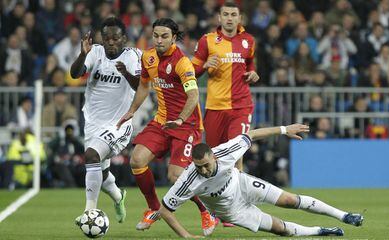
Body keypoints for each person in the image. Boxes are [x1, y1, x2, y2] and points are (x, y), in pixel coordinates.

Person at [159, 124, 364, 238]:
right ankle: (320, 231)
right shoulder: (188, 179)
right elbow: (165, 209)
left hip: (242, 185)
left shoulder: (226, 152)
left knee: (290, 200)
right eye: (198, 166)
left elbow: (252, 134)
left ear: (213, 156)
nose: (203, 170)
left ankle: (344, 216)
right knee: (280, 230)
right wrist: (186, 236)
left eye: (206, 164)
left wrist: (284, 130)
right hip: (231, 211)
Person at [116, 18, 216, 235]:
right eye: (156, 35)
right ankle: (154, 209)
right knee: (137, 159)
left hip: (186, 124)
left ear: (173, 38)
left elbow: (193, 95)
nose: (159, 40)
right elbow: (144, 85)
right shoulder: (148, 57)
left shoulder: (182, 62)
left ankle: (205, 210)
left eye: (164, 36)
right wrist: (132, 110)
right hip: (162, 121)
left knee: (176, 175)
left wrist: (180, 119)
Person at [70, 17, 142, 225]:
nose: (111, 42)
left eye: (116, 38)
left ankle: (89, 213)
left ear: (124, 39)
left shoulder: (133, 56)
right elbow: (75, 74)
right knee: (100, 174)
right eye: (107, 38)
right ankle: (119, 197)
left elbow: (140, 87)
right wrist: (83, 54)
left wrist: (126, 73)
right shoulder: (95, 52)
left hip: (119, 125)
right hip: (93, 123)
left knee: (91, 156)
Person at [192, 2, 259, 171]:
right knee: (216, 156)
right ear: (219, 18)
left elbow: (249, 64)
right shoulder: (207, 40)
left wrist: (253, 73)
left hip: (241, 106)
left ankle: (238, 193)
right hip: (215, 107)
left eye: (233, 15)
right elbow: (191, 71)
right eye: (226, 14)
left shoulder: (248, 41)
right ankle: (220, 193)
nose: (230, 18)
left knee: (236, 151)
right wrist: (205, 66)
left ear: (240, 18)